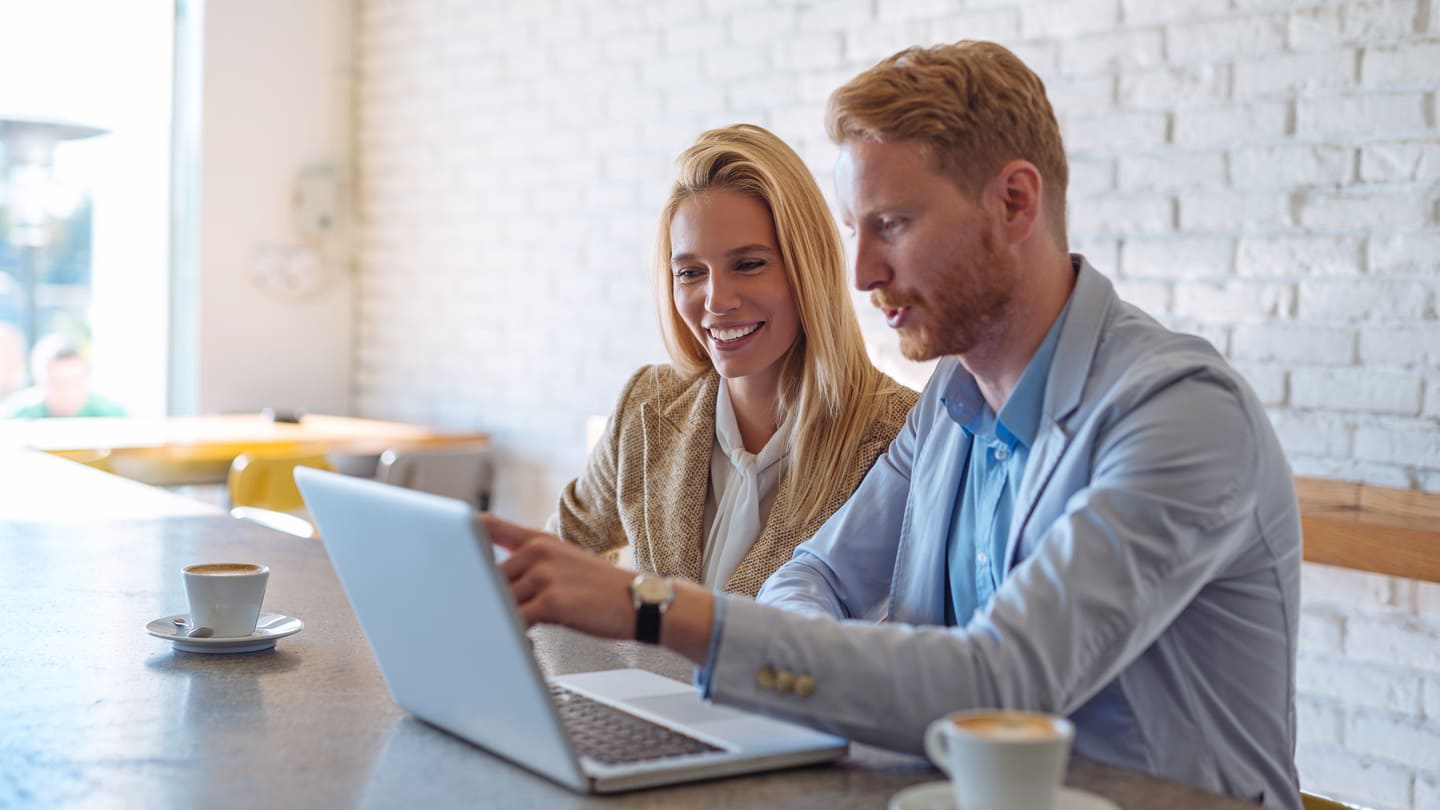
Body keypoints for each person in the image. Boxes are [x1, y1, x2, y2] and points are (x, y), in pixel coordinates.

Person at [484, 41, 1302, 809]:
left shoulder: (1180, 413)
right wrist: (819, 673)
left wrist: (655, 606)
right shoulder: (952, 402)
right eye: (855, 231)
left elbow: (1000, 684)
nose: (863, 274)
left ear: (1015, 203)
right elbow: (812, 578)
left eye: (894, 225)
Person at [547, 124, 917, 596]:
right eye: (690, 272)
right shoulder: (649, 403)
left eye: (748, 265)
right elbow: (561, 550)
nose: (716, 300)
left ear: (809, 266)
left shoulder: (899, 435)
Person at [0, 333, 127, 418]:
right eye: (57, 383)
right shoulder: (15, 415)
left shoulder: (112, 415)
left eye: (75, 382)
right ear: (40, 381)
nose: (67, 392)